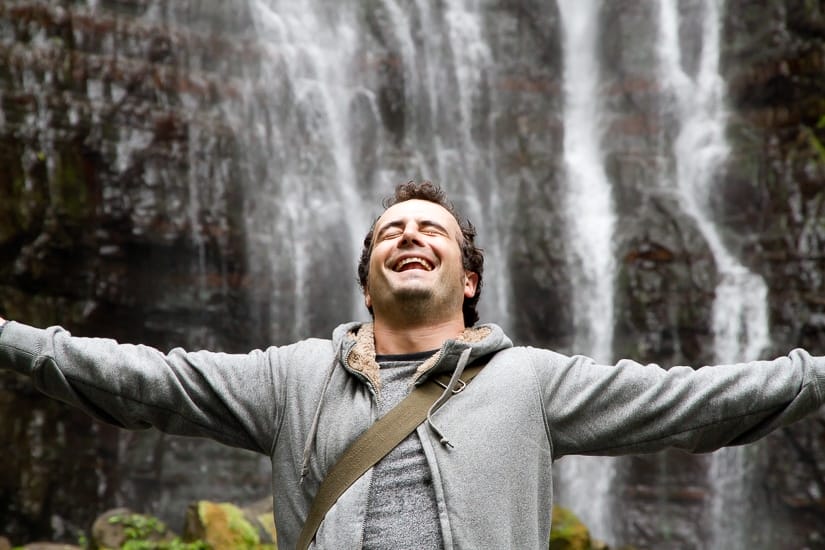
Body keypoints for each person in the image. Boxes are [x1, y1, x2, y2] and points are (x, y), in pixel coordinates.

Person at [0, 180, 823, 549]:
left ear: (467, 281)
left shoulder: (530, 382)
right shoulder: (289, 379)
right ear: (366, 280)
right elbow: (142, 380)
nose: (408, 235)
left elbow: (697, 402)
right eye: (392, 229)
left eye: (432, 229)